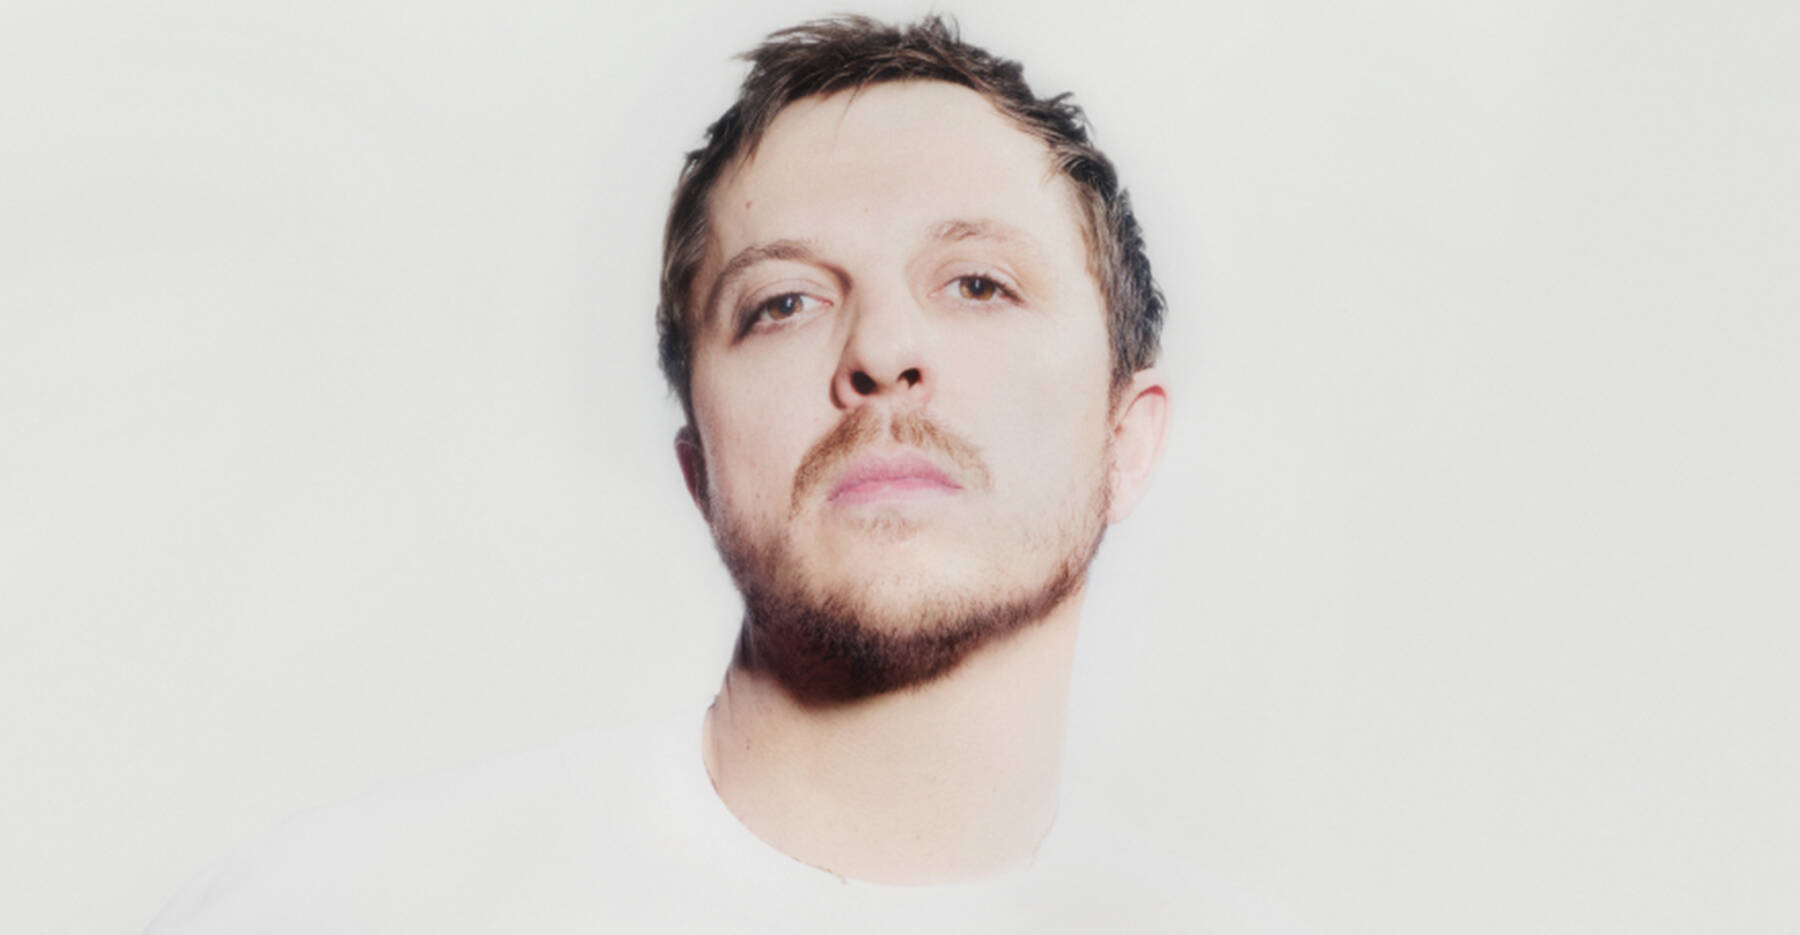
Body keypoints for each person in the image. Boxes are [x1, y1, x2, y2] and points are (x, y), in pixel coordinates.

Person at [146, 15, 1255, 934]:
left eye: (977, 283)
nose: (881, 351)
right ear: (700, 464)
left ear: (1127, 437)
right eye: (785, 302)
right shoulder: (339, 908)